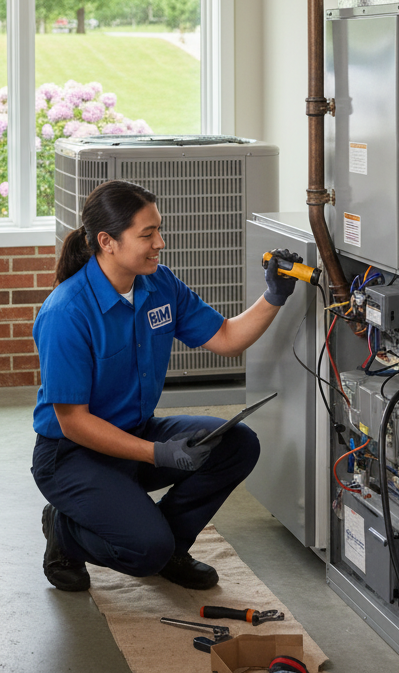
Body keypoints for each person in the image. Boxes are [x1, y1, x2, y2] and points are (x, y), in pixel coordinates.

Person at [31, 180, 299, 592]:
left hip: (134, 434)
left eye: (159, 229)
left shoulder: (159, 285)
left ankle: (172, 546)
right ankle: (64, 530)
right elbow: (74, 424)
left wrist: (274, 296)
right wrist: (158, 454)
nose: (161, 242)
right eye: (147, 234)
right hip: (72, 455)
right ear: (107, 241)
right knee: (143, 552)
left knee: (236, 443)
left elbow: (226, 339)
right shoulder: (67, 312)